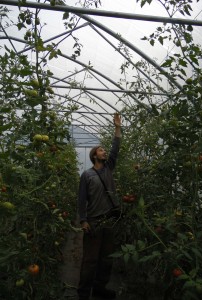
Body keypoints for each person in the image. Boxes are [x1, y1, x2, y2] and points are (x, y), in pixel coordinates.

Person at [77, 112, 122, 300]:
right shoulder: (87, 175)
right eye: (101, 150)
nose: (105, 151)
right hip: (94, 222)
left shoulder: (108, 168)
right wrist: (83, 220)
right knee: (90, 260)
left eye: (104, 150)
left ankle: (100, 288)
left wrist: (117, 127)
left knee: (106, 258)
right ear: (95, 155)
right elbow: (81, 200)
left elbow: (115, 148)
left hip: (109, 221)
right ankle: (84, 293)